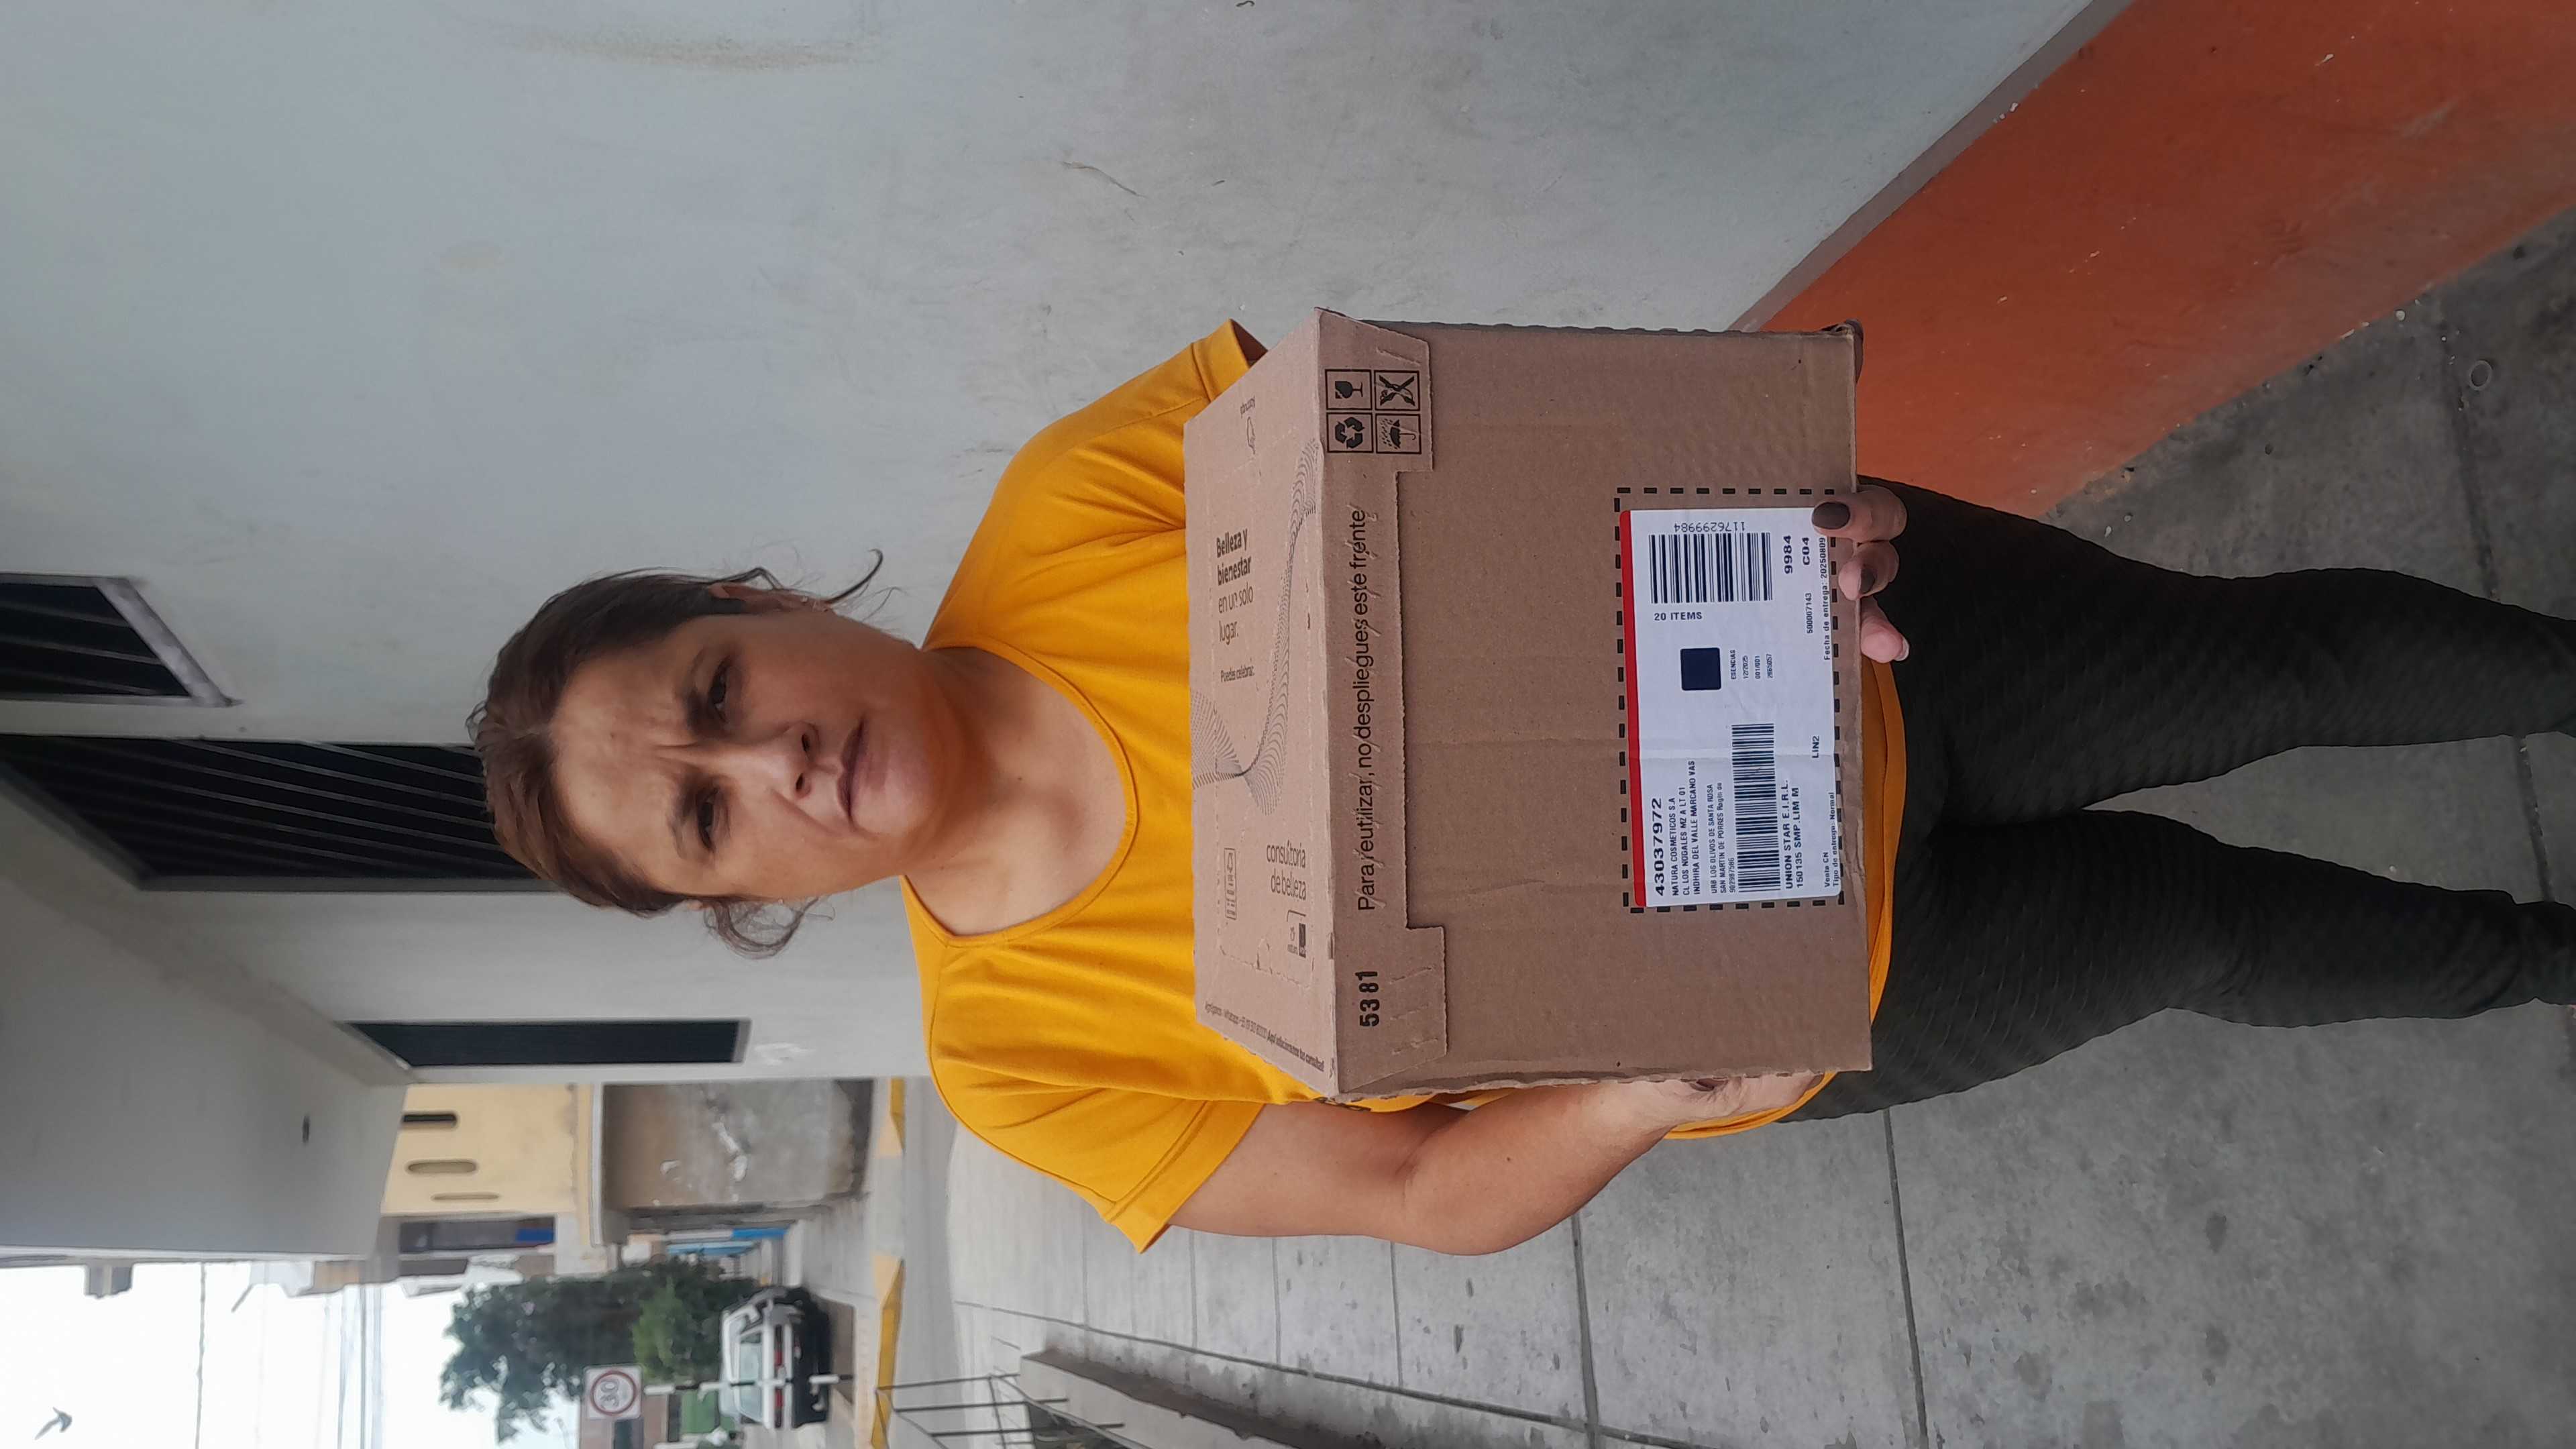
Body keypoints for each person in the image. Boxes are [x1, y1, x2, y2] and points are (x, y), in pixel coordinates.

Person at [472, 323, 2575, 1256]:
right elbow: (1418, 1198)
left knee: (2271, 662)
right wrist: (1639, 1093)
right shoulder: (1019, 1064)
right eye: (706, 812)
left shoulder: (1076, 496)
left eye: (718, 691)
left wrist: (1769, 496)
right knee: (2199, 929)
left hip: (1862, 649)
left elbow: (1466, 431)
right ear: (739, 894)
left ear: (759, 602)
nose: (772, 758)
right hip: (1816, 992)